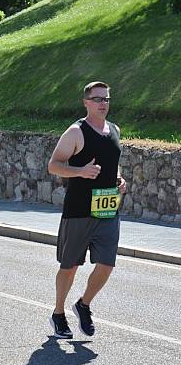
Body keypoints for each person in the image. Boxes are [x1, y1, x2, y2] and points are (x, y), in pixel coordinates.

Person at [47, 81, 127, 339]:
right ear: (86, 102)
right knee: (70, 266)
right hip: (79, 211)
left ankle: (83, 304)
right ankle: (58, 314)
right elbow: (54, 165)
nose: (103, 103)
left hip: (107, 210)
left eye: (106, 99)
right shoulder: (75, 132)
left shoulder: (114, 130)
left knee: (106, 265)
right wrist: (80, 172)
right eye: (97, 99)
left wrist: (119, 179)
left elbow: (112, 164)